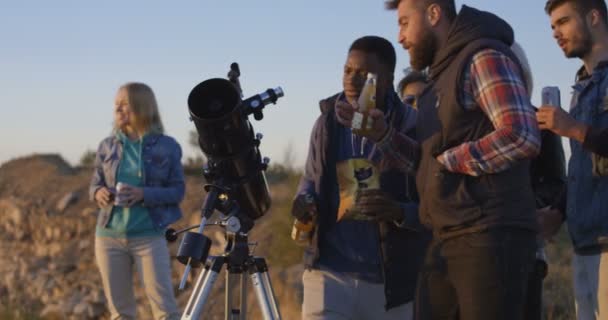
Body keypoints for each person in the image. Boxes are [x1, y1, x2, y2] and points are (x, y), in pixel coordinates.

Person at [385, 1, 542, 319]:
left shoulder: (481, 57)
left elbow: (521, 134)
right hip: (448, 236)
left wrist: (452, 161)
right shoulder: (437, 81)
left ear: (433, 14)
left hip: (490, 236)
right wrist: (383, 136)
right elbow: (429, 162)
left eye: (404, 23)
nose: (399, 36)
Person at [293, 35, 430, 320]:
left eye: (364, 74)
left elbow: (436, 204)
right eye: (347, 70)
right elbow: (309, 180)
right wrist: (304, 202)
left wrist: (399, 212)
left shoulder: (412, 126)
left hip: (391, 284)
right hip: (329, 273)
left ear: (390, 77)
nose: (352, 81)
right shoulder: (328, 124)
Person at [538, 0, 608, 318]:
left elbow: (584, 138)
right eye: (552, 26)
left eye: (563, 22)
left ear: (594, 17)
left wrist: (574, 128)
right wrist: (558, 212)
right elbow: (582, 166)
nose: (555, 33)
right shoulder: (581, 87)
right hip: (585, 244)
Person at [89, 82, 183, 320]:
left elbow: (178, 191)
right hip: (108, 237)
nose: (118, 110)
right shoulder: (106, 146)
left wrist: (144, 194)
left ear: (142, 108)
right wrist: (98, 193)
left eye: (124, 105)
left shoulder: (167, 146)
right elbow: (94, 185)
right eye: (116, 106)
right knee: (120, 314)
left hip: (149, 237)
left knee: (166, 311)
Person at [511, 41, 568, 320]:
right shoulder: (465, 124)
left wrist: (525, 206)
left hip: (526, 248)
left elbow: (555, 181)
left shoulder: (541, 122)